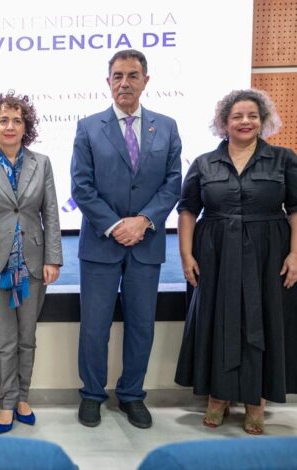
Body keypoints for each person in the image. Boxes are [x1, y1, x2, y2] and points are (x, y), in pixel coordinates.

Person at [70, 49, 182, 429]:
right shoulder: (88, 128)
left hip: (146, 245)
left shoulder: (166, 127)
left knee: (141, 326)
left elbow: (173, 184)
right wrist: (117, 225)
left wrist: (144, 221)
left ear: (146, 81)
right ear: (108, 82)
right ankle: (92, 394)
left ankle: (132, 395)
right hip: (101, 244)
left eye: (133, 75)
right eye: (117, 76)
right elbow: (81, 187)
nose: (124, 83)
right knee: (94, 326)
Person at [175, 89, 297, 434]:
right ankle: (218, 397)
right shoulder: (204, 163)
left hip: (268, 255)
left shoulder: (283, 159)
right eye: (237, 116)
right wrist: (186, 255)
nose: (245, 122)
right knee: (218, 321)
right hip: (214, 254)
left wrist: (295, 254)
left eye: (252, 116)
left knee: (264, 321)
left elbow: (295, 209)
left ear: (263, 121)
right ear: (224, 122)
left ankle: (256, 401)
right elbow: (187, 210)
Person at [0, 92, 62, 434]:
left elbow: (51, 212)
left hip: (32, 264)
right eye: (3, 120)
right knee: (3, 339)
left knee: (26, 337)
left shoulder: (42, 163)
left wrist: (53, 257)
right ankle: (6, 402)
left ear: (26, 127)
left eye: (17, 121)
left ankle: (23, 398)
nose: (10, 126)